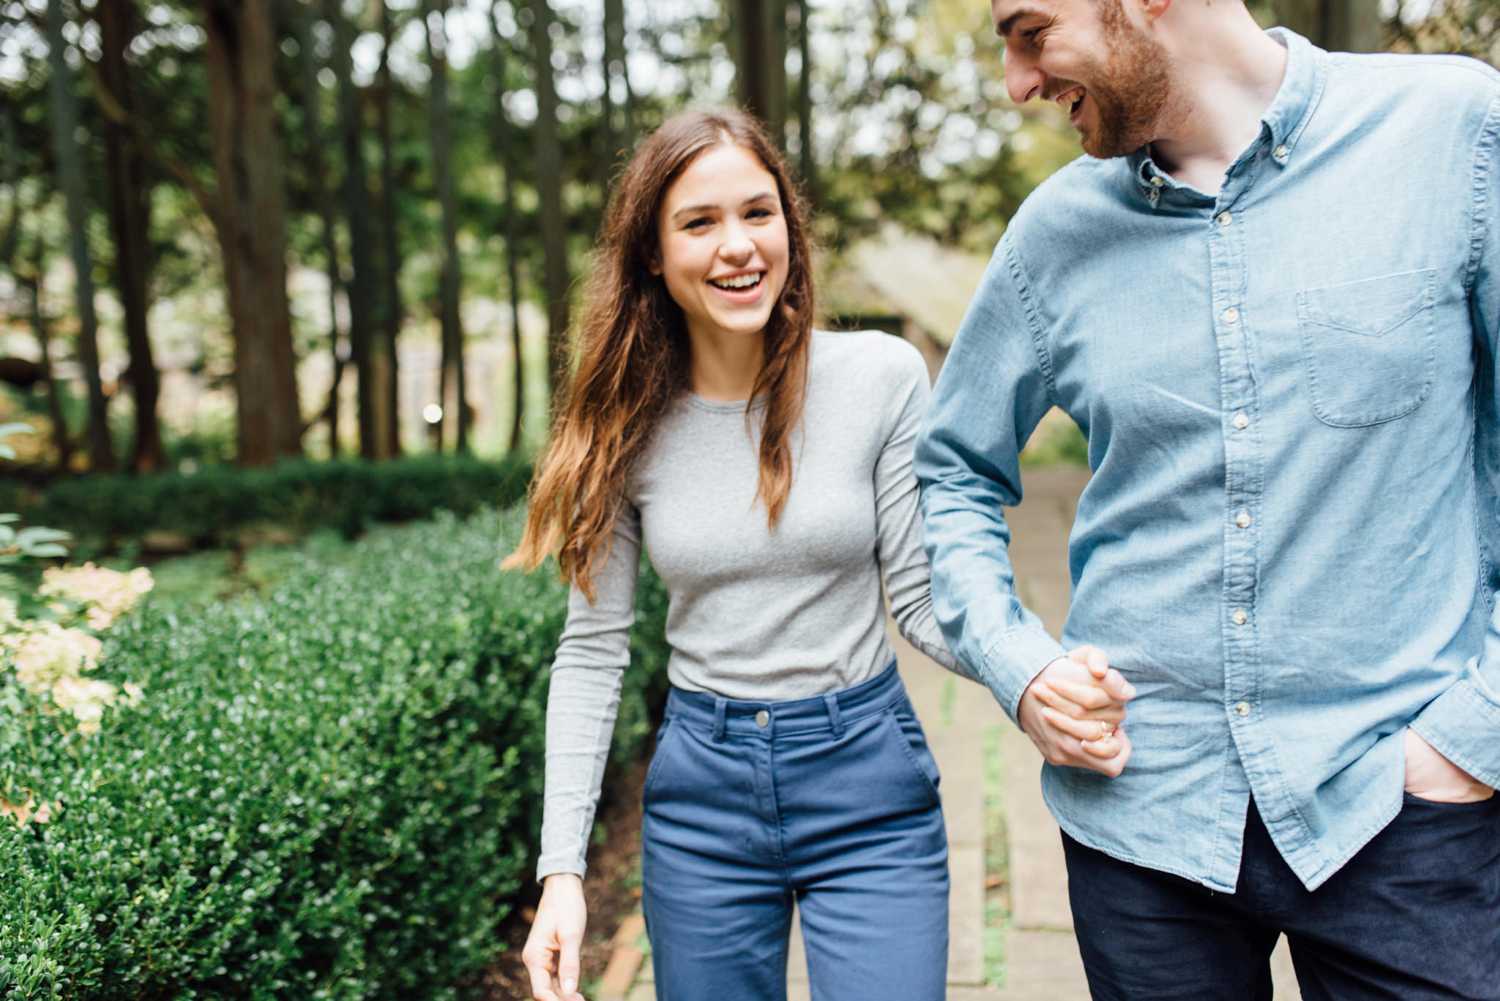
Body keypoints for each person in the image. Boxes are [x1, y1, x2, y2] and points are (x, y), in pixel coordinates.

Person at [916, 1, 1500, 997]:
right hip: (1143, 820)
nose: (1017, 83)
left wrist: (1475, 730)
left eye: (1030, 32)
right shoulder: (1054, 236)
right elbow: (953, 469)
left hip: (1406, 817)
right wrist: (1019, 666)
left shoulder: (1455, 135)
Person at [504, 107, 1136, 1001]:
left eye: (759, 214)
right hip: (702, 802)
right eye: (699, 222)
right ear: (652, 252)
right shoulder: (623, 423)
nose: (738, 246)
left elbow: (922, 600)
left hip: (865, 783)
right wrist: (561, 871)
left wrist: (1037, 671)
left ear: (790, 227)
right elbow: (593, 648)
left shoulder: (879, 377)